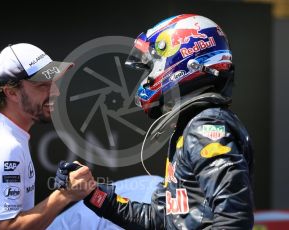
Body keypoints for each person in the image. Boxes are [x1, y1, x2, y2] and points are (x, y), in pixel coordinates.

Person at [80, 14, 254, 229]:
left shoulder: (205, 126)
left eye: (151, 67)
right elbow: (162, 220)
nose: (147, 78)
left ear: (186, 59)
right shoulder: (191, 125)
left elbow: (233, 218)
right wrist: (93, 194)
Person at [0, 43, 96, 229]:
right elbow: (6, 227)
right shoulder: (5, 146)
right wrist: (65, 195)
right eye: (42, 85)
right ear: (11, 92)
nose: (55, 91)